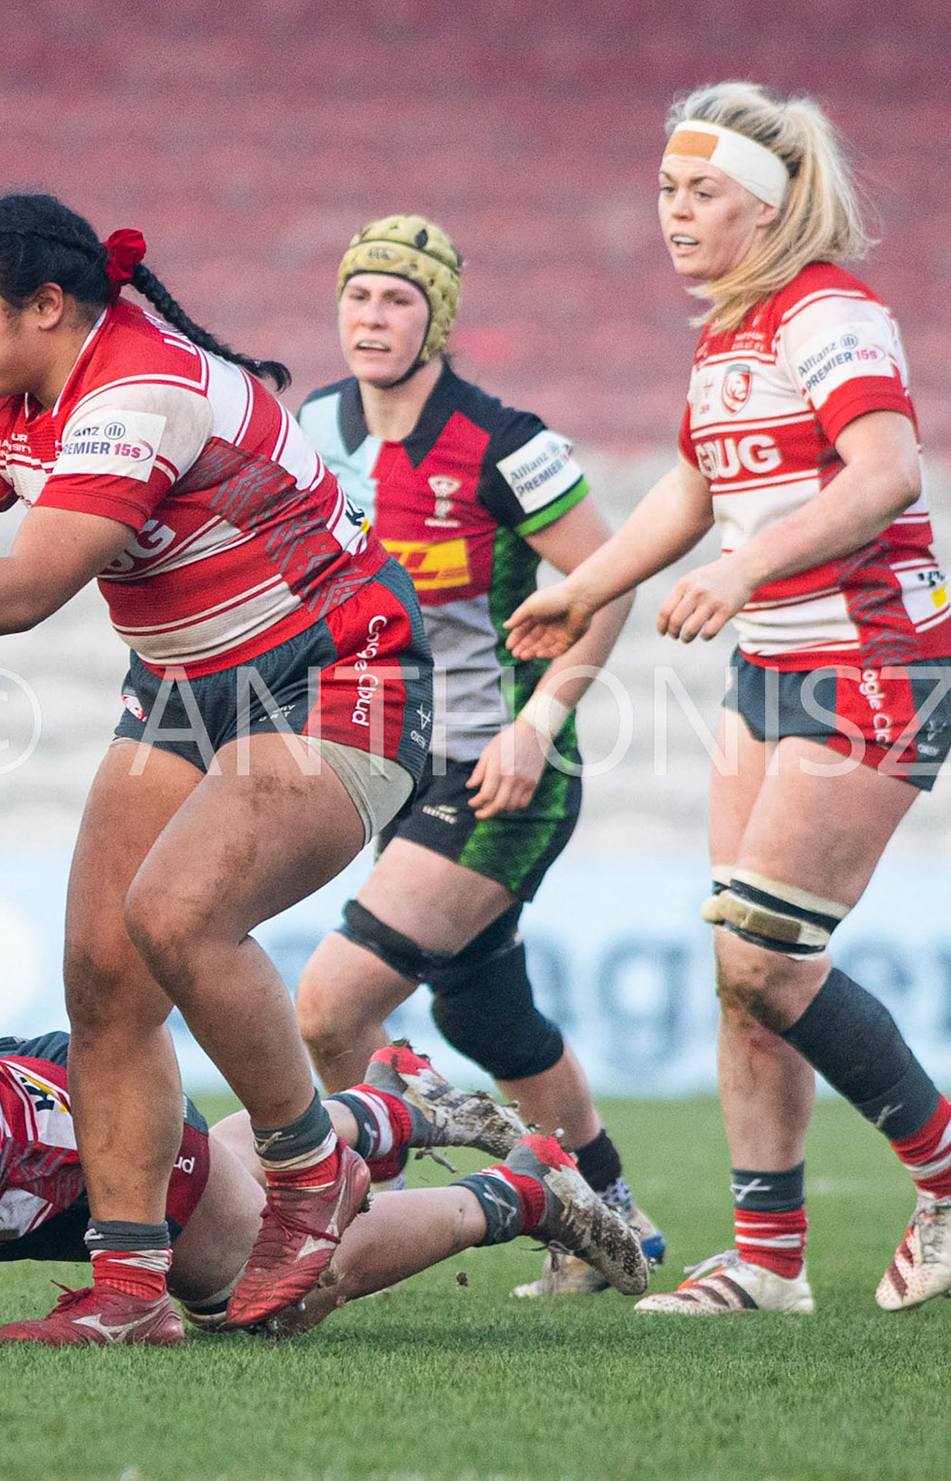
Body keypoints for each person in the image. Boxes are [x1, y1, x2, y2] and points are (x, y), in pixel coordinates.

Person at [0, 193, 437, 1344]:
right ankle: (129, 1293)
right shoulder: (1, 398)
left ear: (47, 304)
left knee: (178, 914)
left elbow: (25, 588)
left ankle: (312, 1166)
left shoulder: (138, 388)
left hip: (336, 669)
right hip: (182, 683)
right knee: (104, 978)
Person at [507, 83, 951, 1314]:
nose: (673, 213)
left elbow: (886, 469)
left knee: (764, 956)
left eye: (702, 193)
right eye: (666, 192)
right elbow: (689, 494)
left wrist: (740, 571)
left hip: (875, 664)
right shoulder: (730, 332)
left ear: (772, 203)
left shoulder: (834, 314)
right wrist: (591, 591)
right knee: (740, 967)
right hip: (773, 672)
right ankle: (768, 1263)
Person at [0, 942, 650, 1342]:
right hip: (54, 1111)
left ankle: (521, 1188)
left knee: (254, 1296)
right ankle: (387, 1109)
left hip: (102, 1161)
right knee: (241, 1181)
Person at [290, 215, 665, 1299]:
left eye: (398, 300)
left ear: (436, 319)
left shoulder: (510, 440)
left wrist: (539, 719)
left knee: (329, 1001)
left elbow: (607, 580)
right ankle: (613, 1221)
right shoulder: (316, 422)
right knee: (483, 1015)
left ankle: (356, 1202)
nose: (372, 317)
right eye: (359, 295)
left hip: (505, 767)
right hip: (393, 761)